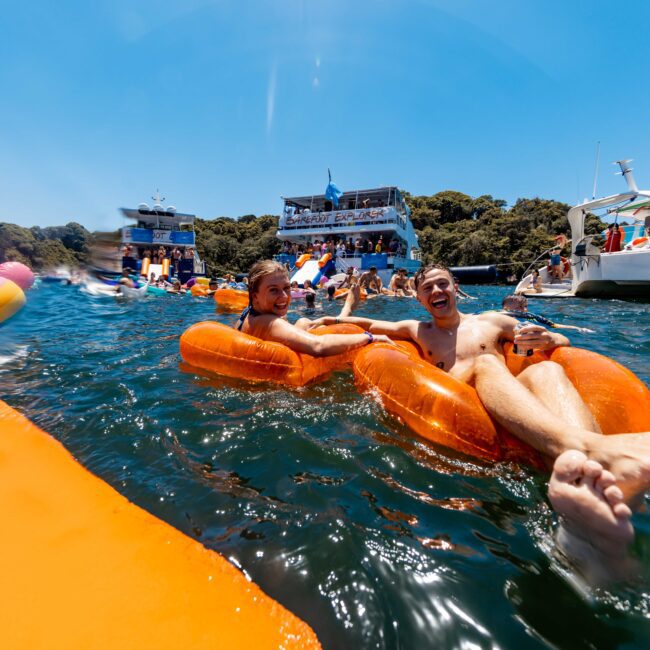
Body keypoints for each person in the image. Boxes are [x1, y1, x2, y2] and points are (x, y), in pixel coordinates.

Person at [313, 263, 650, 583]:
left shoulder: (493, 321)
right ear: (419, 299)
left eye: (442, 283)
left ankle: (588, 503)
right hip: (467, 408)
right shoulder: (418, 330)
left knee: (547, 369)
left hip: (511, 406)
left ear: (455, 288)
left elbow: (558, 341)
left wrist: (549, 340)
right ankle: (594, 453)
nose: (436, 290)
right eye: (427, 287)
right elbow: (369, 325)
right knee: (485, 363)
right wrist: (327, 317)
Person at [234, 260, 394, 355]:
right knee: (309, 323)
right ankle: (347, 310)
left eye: (287, 288)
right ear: (254, 295)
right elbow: (318, 345)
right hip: (280, 393)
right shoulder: (270, 323)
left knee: (304, 322)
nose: (283, 296)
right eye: (273, 290)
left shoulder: (246, 315)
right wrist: (370, 337)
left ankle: (345, 311)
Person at [500, 294, 595, 333]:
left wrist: (577, 328)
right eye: (519, 307)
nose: (524, 309)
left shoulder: (532, 317)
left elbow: (554, 325)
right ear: (505, 308)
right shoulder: (498, 316)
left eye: (525, 306)